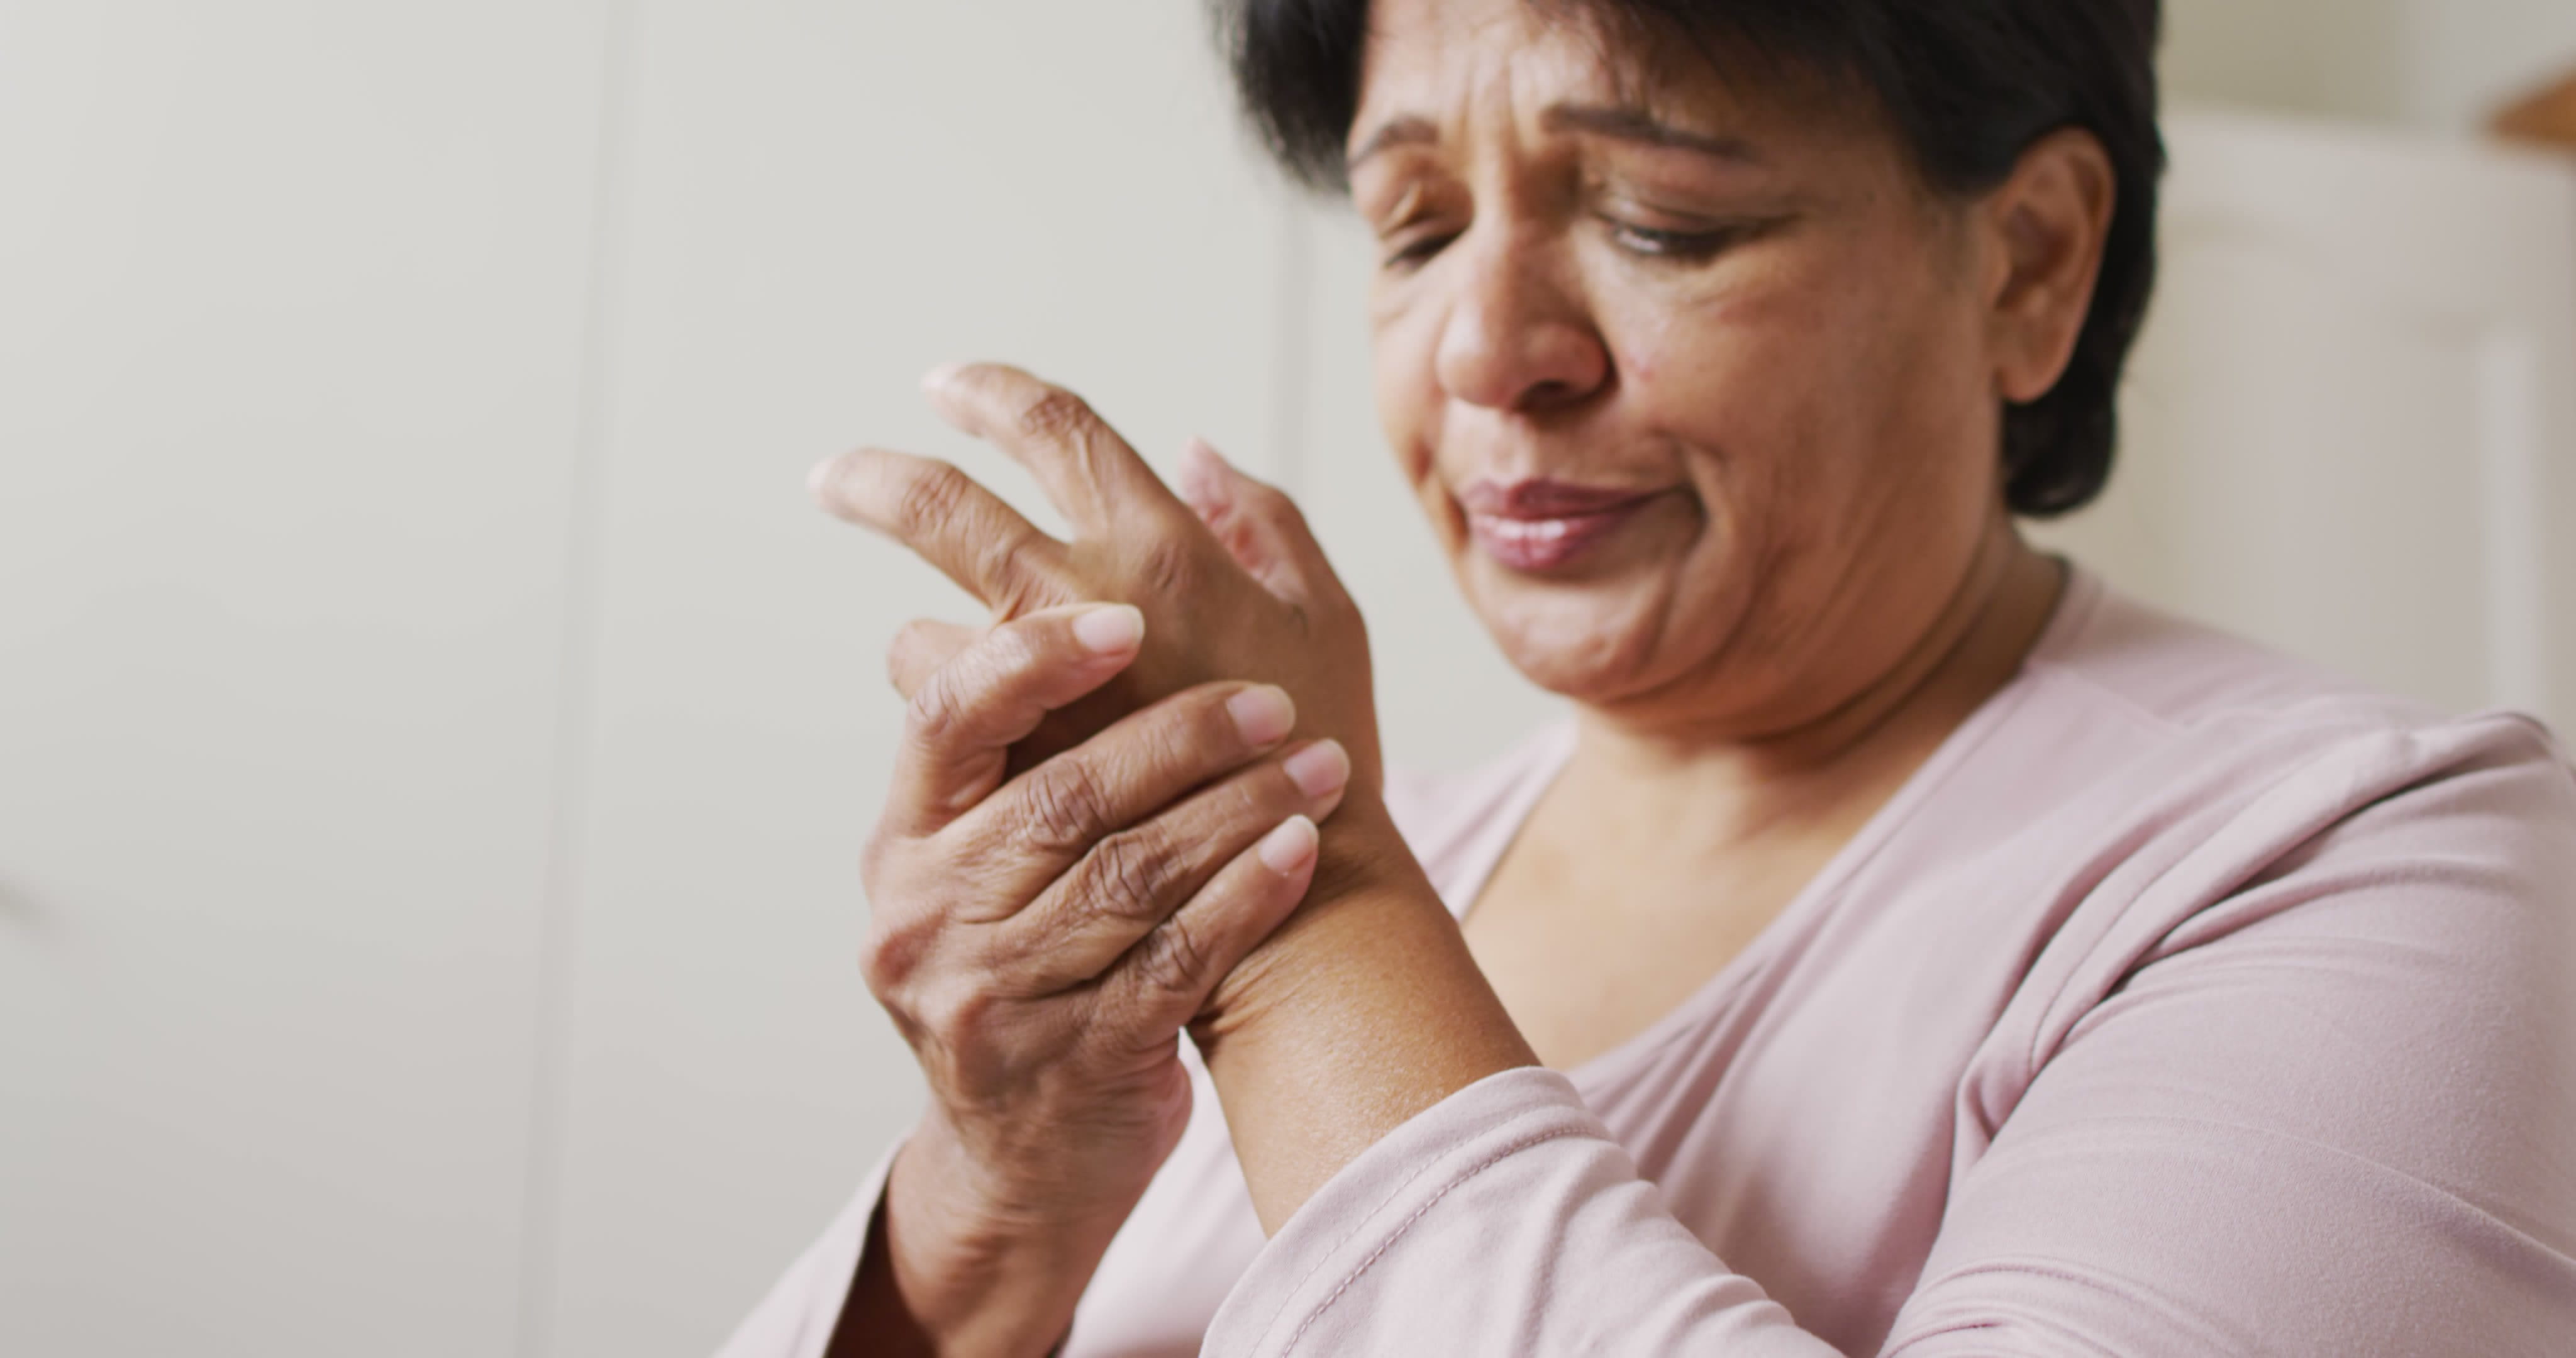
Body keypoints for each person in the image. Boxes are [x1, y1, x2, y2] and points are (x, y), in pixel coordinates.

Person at [726, 0, 2576, 1352]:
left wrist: (1305, 900)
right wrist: (993, 1201)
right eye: (1417, 229)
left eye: (1659, 222)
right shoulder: (1326, 875)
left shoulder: (2375, 861)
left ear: (2030, 266)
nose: (1486, 351)